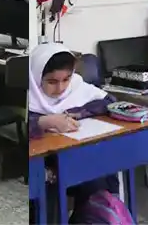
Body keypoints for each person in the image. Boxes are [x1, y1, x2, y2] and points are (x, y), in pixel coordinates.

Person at [27, 43, 117, 219]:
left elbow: (109, 102)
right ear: (37, 77)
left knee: (99, 180)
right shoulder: (30, 94)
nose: (60, 88)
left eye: (66, 79)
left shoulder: (76, 87)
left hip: (74, 159)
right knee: (47, 187)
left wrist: (75, 113)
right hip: (43, 166)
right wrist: (43, 121)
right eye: (52, 82)